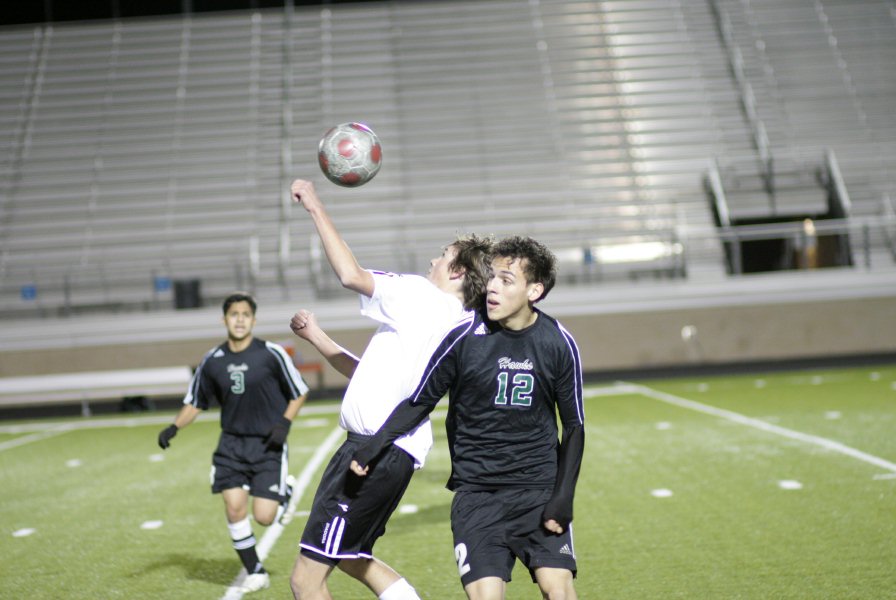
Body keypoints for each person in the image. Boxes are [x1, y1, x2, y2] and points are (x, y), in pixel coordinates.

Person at [288, 178, 493, 600]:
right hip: (395, 453)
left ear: (457, 272)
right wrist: (318, 338)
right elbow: (372, 376)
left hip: (370, 451)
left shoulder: (420, 296)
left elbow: (350, 274)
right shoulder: (457, 323)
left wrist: (314, 204)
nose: (432, 261)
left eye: (442, 256)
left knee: (306, 579)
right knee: (350, 555)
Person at [351, 236, 585, 600]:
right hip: (477, 496)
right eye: (492, 277)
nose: (492, 287)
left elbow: (573, 427)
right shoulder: (462, 336)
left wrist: (563, 497)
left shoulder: (558, 342)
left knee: (559, 590)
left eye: (506, 280)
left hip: (536, 491)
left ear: (534, 290)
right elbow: (420, 401)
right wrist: (374, 444)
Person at [157, 292, 310, 594]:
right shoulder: (212, 360)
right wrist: (174, 426)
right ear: (224, 319)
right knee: (235, 507)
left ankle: (285, 492)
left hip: (268, 445)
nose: (239, 320)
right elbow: (195, 401)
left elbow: (299, 390)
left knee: (264, 517)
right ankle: (255, 571)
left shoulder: (271, 353)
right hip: (231, 446)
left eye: (245, 315)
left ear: (254, 320)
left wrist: (284, 423)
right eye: (233, 314)